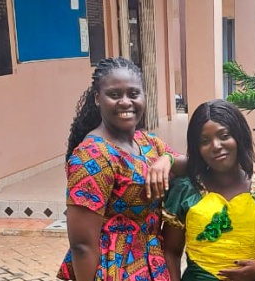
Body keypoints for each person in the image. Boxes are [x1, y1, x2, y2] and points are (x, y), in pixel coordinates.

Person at [57, 57, 186, 281]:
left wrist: (168, 159)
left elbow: (193, 165)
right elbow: (82, 246)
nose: (125, 102)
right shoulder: (92, 157)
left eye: (133, 94)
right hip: (113, 269)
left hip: (153, 264)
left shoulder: (147, 143)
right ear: (98, 98)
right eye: (114, 95)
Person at [162, 99, 255, 281]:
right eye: (205, 141)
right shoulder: (186, 191)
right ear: (197, 148)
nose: (216, 146)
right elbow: (171, 252)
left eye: (224, 136)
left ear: (239, 137)